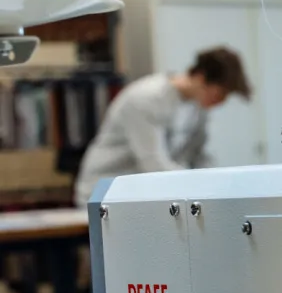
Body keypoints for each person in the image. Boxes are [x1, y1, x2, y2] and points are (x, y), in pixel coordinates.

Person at [74, 47, 251, 204]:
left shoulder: (198, 108)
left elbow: (200, 157)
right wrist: (199, 186)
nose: (221, 102)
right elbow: (154, 164)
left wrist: (221, 186)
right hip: (105, 193)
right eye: (221, 93)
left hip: (143, 194)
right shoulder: (146, 98)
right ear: (201, 77)